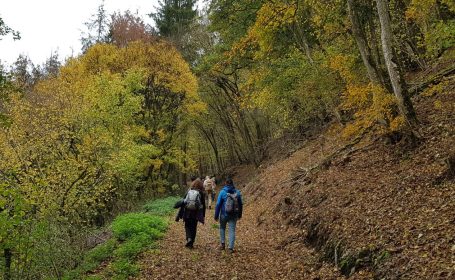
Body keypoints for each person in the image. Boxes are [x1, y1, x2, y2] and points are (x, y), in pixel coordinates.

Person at [214, 178, 243, 253]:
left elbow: (218, 205)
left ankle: (223, 244)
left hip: (224, 214)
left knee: (222, 228)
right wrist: (240, 214)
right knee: (232, 230)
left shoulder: (222, 192)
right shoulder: (237, 192)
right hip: (234, 215)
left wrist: (216, 215)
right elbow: (240, 204)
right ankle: (230, 248)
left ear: (226, 183)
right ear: (232, 184)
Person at [177, 176, 206, 249]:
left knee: (187, 226)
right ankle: (191, 243)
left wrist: (179, 213)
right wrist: (203, 215)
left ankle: (189, 238)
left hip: (187, 212)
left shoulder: (189, 191)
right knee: (194, 227)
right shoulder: (201, 193)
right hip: (196, 213)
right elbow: (203, 205)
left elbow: (183, 201)